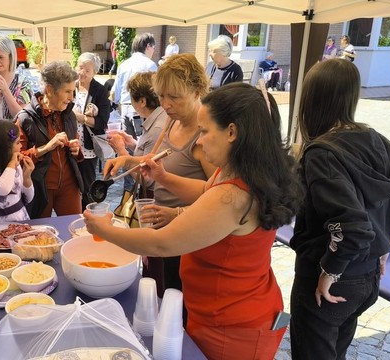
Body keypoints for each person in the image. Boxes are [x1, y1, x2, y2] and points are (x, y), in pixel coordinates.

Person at [87, 82, 302, 359]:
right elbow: (203, 191)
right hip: (225, 309)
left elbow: (162, 243)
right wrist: (163, 177)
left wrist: (104, 230)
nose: (198, 141)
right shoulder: (236, 170)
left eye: (204, 131)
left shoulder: (233, 196)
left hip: (233, 326)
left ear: (232, 132)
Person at [289, 59, 390, 360]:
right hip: (365, 280)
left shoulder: (321, 153)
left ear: (312, 99)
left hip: (330, 281)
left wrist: (329, 272)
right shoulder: (376, 141)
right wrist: (387, 243)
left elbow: (351, 226)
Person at [104, 54, 216, 297]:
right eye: (162, 96)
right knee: (154, 296)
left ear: (197, 90)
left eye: (174, 97)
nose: (166, 105)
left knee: (175, 304)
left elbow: (217, 194)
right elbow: (154, 166)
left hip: (188, 240)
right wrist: (127, 159)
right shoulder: (171, 122)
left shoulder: (205, 135)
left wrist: (176, 213)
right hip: (159, 227)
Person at [16, 61, 84, 219]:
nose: (71, 98)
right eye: (67, 91)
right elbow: (16, 159)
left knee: (74, 230)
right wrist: (46, 147)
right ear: (49, 90)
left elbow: (77, 151)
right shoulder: (25, 118)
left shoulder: (69, 115)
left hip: (69, 186)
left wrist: (76, 149)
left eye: (73, 92)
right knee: (38, 237)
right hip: (39, 188)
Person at [73, 52, 111, 208]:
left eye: (87, 70)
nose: (82, 72)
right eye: (80, 67)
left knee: (87, 184)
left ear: (95, 72)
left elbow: (102, 121)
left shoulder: (99, 91)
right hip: (71, 145)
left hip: (88, 147)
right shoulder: (71, 86)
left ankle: (88, 214)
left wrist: (81, 118)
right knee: (72, 185)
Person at [113, 33, 157, 139]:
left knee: (128, 144)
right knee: (141, 144)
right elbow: (156, 91)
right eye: (153, 48)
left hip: (124, 108)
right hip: (142, 109)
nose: (153, 51)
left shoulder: (124, 64)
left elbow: (115, 92)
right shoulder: (150, 65)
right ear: (148, 46)